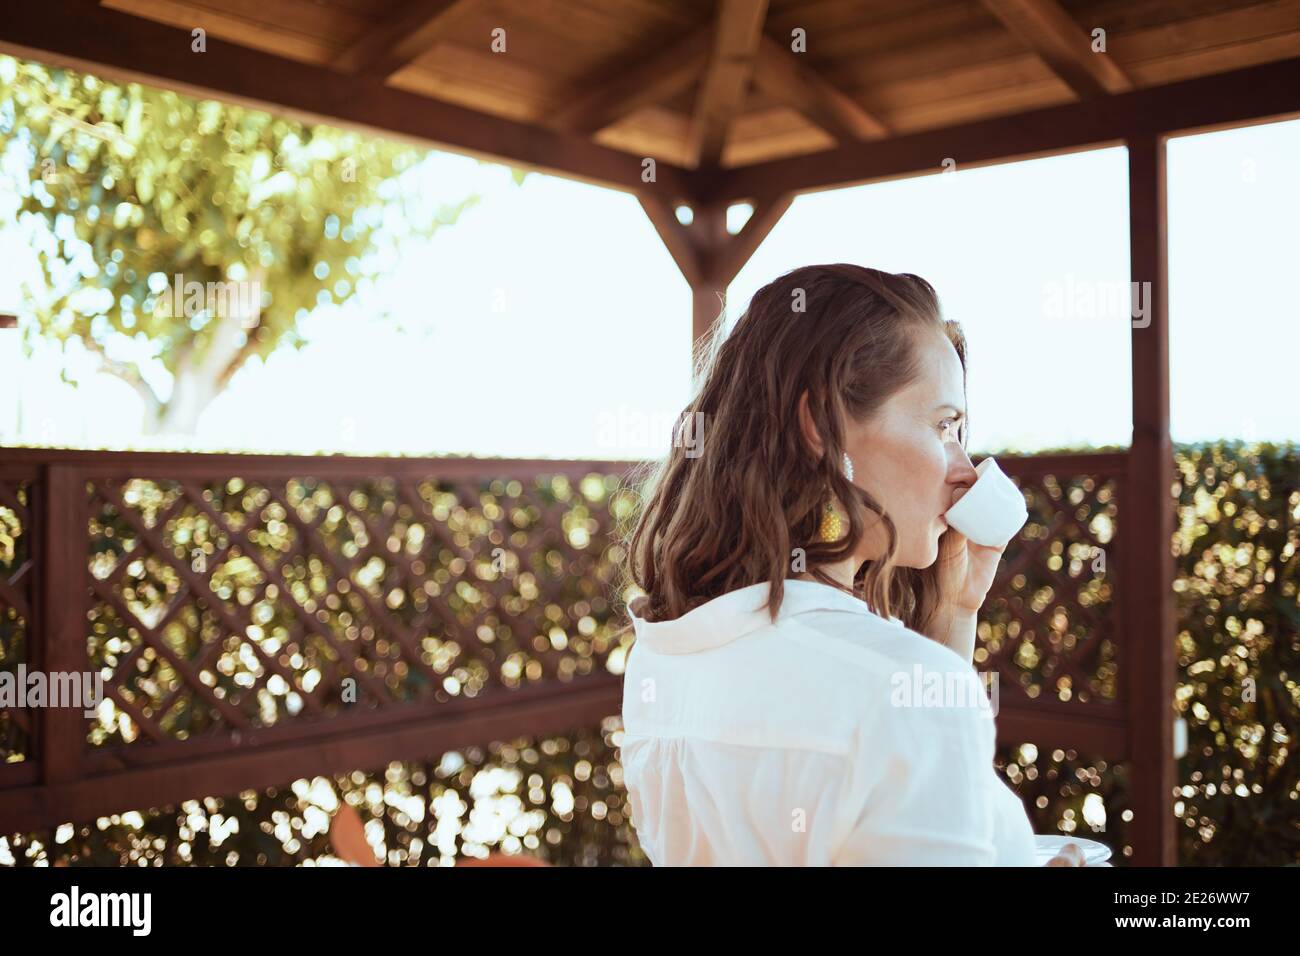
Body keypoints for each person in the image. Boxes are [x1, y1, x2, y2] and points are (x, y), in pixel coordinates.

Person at [618, 264, 1084, 866]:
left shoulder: (663, 656)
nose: (967, 469)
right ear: (822, 425)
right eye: (944, 425)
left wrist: (952, 612)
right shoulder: (893, 693)